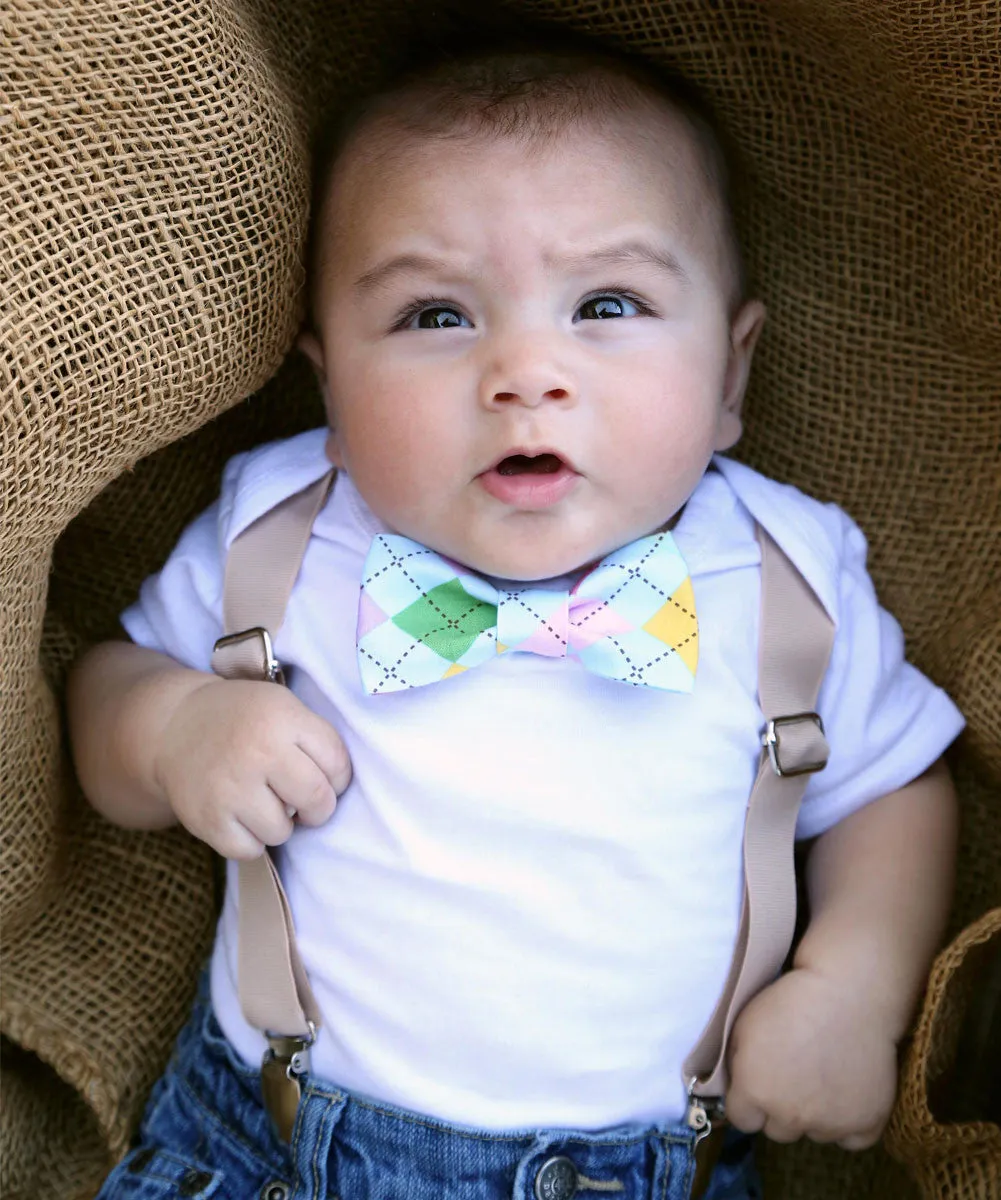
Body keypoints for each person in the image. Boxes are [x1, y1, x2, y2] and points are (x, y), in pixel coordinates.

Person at [68, 19, 964, 1200]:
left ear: (730, 377)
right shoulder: (281, 535)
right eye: (436, 316)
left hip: (641, 1167)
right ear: (329, 382)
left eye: (607, 303)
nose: (524, 372)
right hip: (267, 1138)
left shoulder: (781, 573)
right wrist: (174, 729)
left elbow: (892, 787)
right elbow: (105, 695)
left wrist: (851, 985)